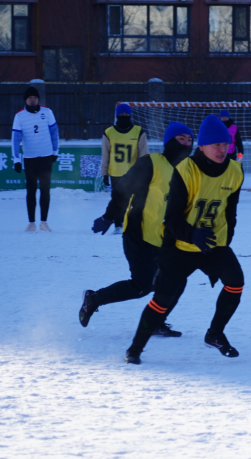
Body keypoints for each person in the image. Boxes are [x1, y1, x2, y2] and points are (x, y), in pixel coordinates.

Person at [124, 115, 245, 364]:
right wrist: (192, 234)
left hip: (213, 243)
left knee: (236, 282)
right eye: (216, 145)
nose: (222, 150)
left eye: (225, 144)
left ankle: (215, 333)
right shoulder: (185, 170)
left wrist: (224, 243)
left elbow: (230, 212)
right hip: (180, 244)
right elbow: (171, 218)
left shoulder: (235, 170)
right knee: (163, 298)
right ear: (202, 147)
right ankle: (135, 349)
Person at [80, 122, 194, 334]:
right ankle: (94, 299)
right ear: (170, 142)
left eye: (189, 140)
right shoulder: (151, 163)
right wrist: (108, 217)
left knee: (177, 281)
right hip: (138, 233)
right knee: (142, 285)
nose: (186, 144)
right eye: (181, 139)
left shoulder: (188, 170)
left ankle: (157, 323)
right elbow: (123, 189)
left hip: (166, 238)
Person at [11, 86, 60, 232]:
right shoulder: (19, 116)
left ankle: (44, 222)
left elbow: (54, 133)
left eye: (35, 97)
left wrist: (55, 151)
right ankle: (31, 223)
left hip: (46, 156)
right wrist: (16, 160)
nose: (32, 100)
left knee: (45, 190)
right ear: (25, 100)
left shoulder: (47, 112)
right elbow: (15, 139)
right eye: (29, 97)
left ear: (38, 99)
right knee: (31, 190)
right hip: (30, 157)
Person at [102, 103, 149, 234]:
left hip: (133, 174)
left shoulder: (139, 131)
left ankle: (135, 224)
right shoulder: (109, 132)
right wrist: (104, 173)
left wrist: (145, 171)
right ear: (117, 116)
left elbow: (144, 154)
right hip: (115, 173)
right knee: (118, 200)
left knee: (137, 200)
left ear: (130, 115)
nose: (124, 116)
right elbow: (105, 155)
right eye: (121, 115)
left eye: (126, 114)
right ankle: (118, 225)